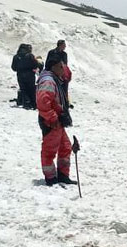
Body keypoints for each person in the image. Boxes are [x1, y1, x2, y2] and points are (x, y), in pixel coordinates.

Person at [36, 58, 75, 186]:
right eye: (60, 67)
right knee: (49, 150)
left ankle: (63, 175)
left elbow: (68, 75)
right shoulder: (48, 81)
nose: (62, 69)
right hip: (51, 121)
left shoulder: (56, 78)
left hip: (58, 120)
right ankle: (51, 178)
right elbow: (43, 102)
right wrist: (52, 118)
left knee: (65, 147)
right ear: (53, 67)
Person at [11, 44, 42, 109]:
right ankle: (33, 103)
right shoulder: (30, 56)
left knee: (23, 89)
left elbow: (13, 67)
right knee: (31, 89)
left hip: (20, 74)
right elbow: (35, 65)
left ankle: (26, 103)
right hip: (29, 74)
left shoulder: (16, 57)